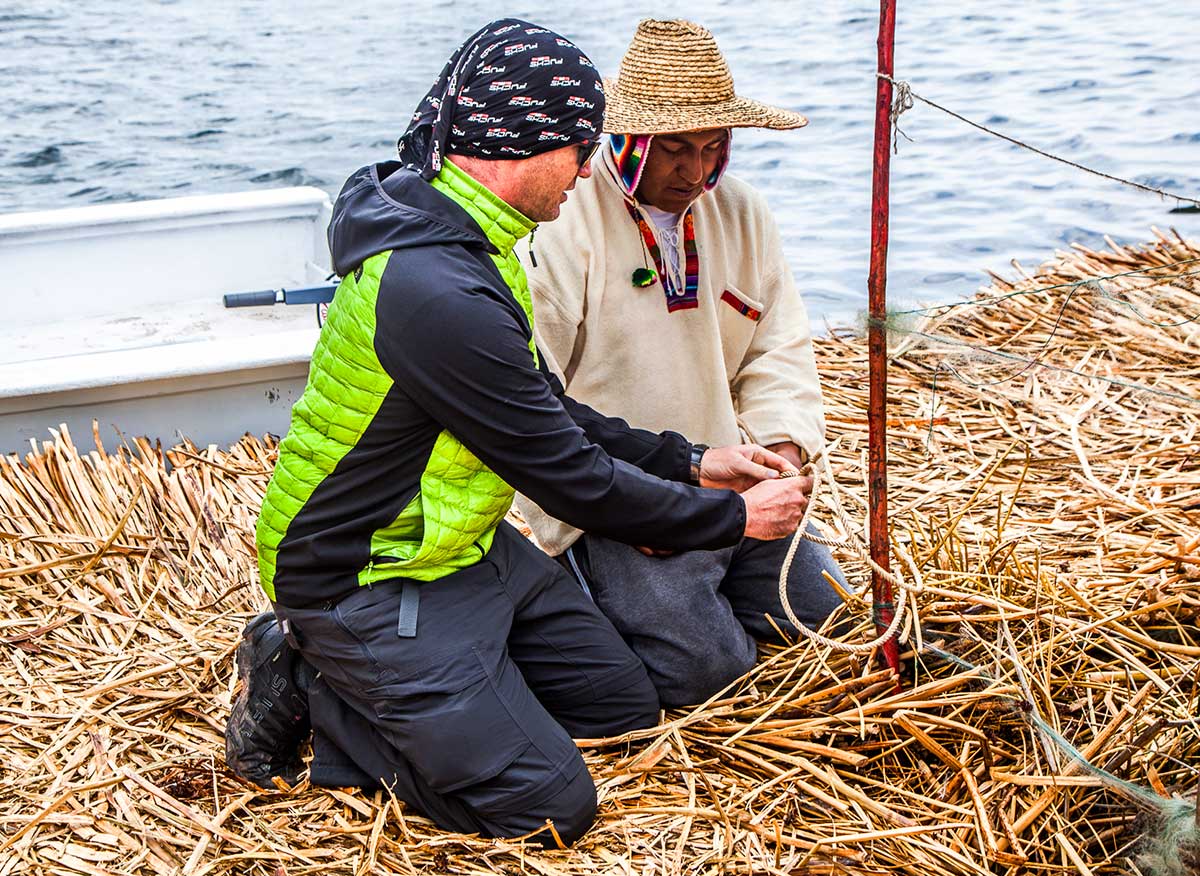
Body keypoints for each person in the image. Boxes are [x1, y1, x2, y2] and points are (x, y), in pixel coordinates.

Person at [224, 19, 816, 847]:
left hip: (460, 549)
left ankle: (461, 689)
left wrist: (694, 458)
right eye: (579, 147)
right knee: (547, 809)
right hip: (364, 571)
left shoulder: (472, 239)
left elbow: (548, 409)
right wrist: (730, 519)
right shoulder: (439, 291)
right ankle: (310, 685)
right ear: (523, 141)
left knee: (620, 710)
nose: (588, 167)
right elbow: (565, 475)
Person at [516, 19, 848, 709]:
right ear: (625, 137)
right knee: (708, 675)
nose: (695, 172)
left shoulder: (743, 213)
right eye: (673, 150)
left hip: (729, 488)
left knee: (834, 623)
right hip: (616, 503)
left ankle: (705, 598)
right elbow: (529, 404)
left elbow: (776, 347)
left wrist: (783, 448)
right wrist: (636, 512)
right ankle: (596, 600)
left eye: (713, 147)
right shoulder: (564, 221)